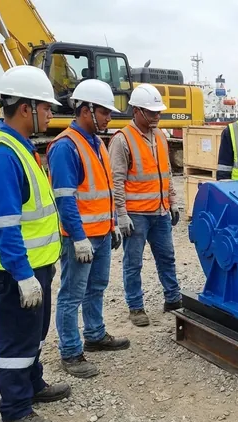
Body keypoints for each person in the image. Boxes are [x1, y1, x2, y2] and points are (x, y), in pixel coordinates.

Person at [0, 65, 69, 422]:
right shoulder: (2, 155)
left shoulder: (19, 148)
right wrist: (23, 275)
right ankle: (14, 412)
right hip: (18, 269)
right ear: (26, 107)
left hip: (35, 264)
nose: (50, 113)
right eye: (46, 107)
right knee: (16, 338)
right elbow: (4, 226)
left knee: (34, 331)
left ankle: (32, 384)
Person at [47, 79, 129, 378]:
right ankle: (70, 352)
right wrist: (79, 238)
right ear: (86, 110)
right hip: (79, 238)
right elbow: (65, 200)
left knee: (96, 287)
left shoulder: (96, 143)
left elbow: (102, 191)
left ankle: (95, 335)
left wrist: (113, 225)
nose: (109, 117)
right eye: (105, 111)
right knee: (71, 293)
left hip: (102, 233)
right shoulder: (66, 147)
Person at [107, 83, 182, 327]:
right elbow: (116, 180)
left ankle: (172, 298)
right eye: (151, 112)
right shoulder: (122, 140)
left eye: (158, 112)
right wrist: (121, 214)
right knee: (133, 262)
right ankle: (136, 306)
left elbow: (166, 173)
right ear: (136, 111)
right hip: (136, 214)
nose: (157, 116)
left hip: (159, 212)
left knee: (167, 257)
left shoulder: (160, 137)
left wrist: (172, 201)